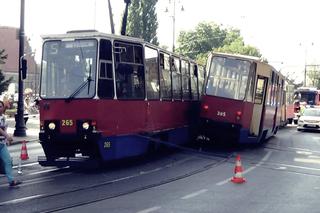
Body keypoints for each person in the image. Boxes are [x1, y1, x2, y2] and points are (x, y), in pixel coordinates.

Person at [0, 101, 22, 188]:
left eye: (1, 106)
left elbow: (4, 129)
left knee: (8, 161)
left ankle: (11, 181)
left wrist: (6, 140)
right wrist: (7, 136)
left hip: (2, 144)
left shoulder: (3, 118)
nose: (0, 108)